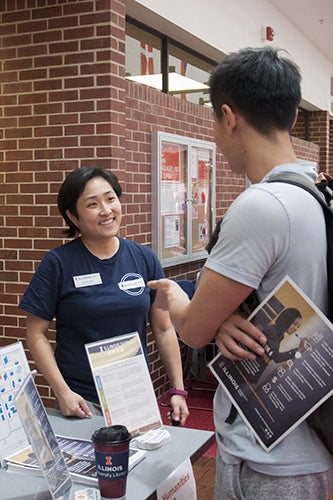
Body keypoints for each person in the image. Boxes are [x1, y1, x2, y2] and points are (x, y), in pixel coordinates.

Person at [148, 47, 333, 499]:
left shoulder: (261, 206)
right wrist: (225, 317)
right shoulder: (317, 193)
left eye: (213, 121)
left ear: (229, 117)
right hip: (308, 439)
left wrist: (174, 294)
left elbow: (192, 330)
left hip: (267, 456)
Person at [19, 166, 189, 425]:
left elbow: (164, 329)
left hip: (133, 393)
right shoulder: (58, 263)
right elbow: (35, 333)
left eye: (110, 199)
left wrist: (177, 389)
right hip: (81, 400)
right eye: (92, 204)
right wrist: (62, 391)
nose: (106, 210)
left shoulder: (144, 259)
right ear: (73, 217)